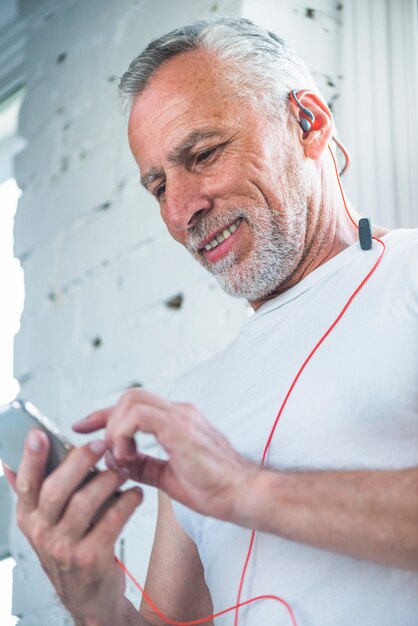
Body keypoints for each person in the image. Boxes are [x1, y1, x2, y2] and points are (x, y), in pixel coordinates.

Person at [3, 17, 418, 626]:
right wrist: (94, 603)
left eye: (202, 154)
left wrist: (248, 491)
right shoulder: (196, 401)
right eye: (156, 187)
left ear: (308, 122)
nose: (179, 211)